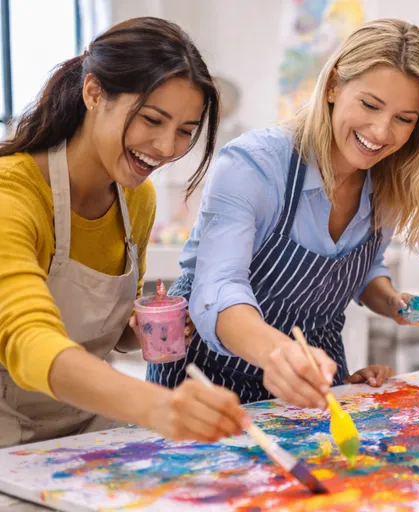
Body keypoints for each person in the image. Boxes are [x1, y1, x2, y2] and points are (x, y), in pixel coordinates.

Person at [147, 19, 419, 408]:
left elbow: (359, 269)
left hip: (312, 382)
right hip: (207, 381)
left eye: (404, 119)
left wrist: (390, 300)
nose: (381, 131)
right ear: (335, 84)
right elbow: (218, 289)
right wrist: (279, 354)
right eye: (370, 105)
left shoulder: (391, 181)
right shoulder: (255, 164)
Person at [0, 17, 247, 448]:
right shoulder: (13, 194)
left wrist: (149, 327)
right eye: (152, 120)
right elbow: (27, 337)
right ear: (94, 93)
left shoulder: (137, 199)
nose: (167, 148)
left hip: (85, 429)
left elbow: (113, 337)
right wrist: (156, 405)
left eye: (185, 132)